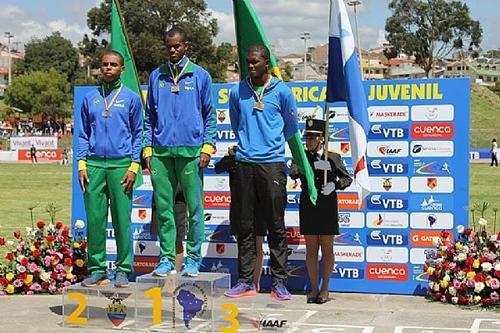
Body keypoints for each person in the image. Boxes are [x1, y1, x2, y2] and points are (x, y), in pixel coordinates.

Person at [224, 44, 300, 300]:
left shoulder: (282, 91)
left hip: (272, 164)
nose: (251, 66)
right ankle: (245, 281)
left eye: (255, 61)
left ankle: (279, 282)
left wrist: (268, 144)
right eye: (248, 62)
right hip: (245, 163)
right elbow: (237, 123)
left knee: (276, 226)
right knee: (245, 227)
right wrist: (250, 144)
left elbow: (290, 127)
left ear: (266, 62)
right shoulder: (237, 91)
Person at [144, 26, 216, 277]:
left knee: (195, 209)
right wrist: (147, 149)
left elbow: (210, 114)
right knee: (164, 210)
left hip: (191, 152)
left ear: (186, 46)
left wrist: (206, 147)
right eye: (169, 46)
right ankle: (166, 258)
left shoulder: (199, 75)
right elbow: (149, 117)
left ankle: (193, 259)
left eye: (177, 46)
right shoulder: (156, 76)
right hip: (161, 154)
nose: (173, 50)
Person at [77, 50, 143, 288]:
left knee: (121, 221)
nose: (108, 68)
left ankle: (124, 269)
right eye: (104, 64)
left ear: (121, 69)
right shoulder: (90, 98)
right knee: (95, 220)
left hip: (121, 165)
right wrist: (81, 164)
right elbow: (83, 134)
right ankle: (97, 269)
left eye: (113, 65)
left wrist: (134, 166)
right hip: (94, 166)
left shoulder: (131, 98)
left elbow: (139, 135)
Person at [291, 118, 352, 304]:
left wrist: (334, 183)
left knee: (327, 247)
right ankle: (314, 288)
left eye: (312, 137)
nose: (308, 141)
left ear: (322, 139)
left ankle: (325, 288)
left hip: (327, 205)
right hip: (309, 203)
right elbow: (293, 172)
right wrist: (309, 167)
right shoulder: (301, 155)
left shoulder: (332, 157)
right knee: (311, 248)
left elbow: (347, 179)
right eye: (307, 137)